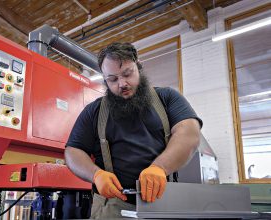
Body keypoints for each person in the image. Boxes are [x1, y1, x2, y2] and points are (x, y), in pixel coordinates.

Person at [65, 42, 202, 218]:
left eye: (127, 74)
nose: (122, 84)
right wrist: (95, 174)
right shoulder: (94, 112)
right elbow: (72, 151)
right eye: (112, 79)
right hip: (112, 208)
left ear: (138, 66)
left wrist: (160, 167)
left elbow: (189, 133)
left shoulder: (167, 98)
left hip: (164, 204)